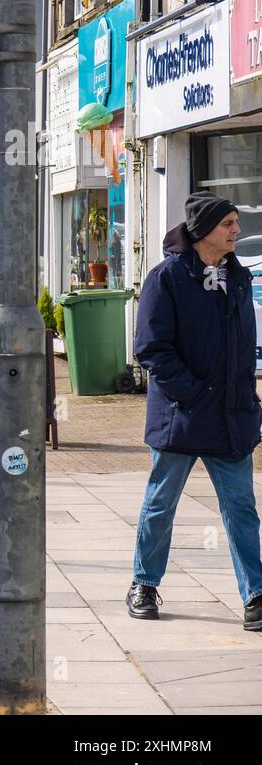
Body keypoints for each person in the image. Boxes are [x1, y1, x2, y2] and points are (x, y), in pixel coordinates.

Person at [128, 193, 262, 627]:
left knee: (241, 508)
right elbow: (151, 347)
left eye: (235, 223)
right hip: (181, 416)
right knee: (161, 503)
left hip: (231, 417)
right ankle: (144, 585)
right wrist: (192, 394)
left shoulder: (237, 278)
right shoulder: (167, 278)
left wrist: (248, 402)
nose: (236, 231)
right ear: (204, 230)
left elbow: (241, 350)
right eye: (228, 224)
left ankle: (256, 596)